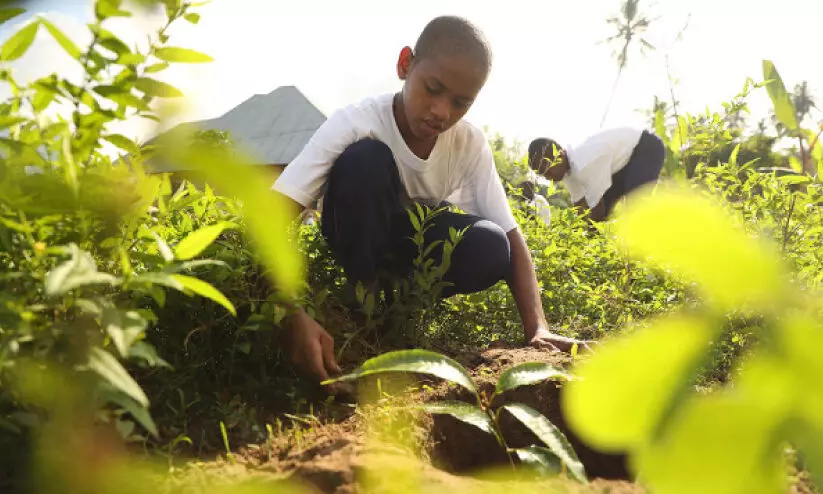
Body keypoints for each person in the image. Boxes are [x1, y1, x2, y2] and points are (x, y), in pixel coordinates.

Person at [271, 16, 586, 383]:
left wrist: (539, 329)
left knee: (492, 245)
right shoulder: (355, 121)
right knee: (366, 160)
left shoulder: (467, 144)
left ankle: (394, 313)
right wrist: (291, 312)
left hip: (406, 247)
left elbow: (513, 237)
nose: (442, 112)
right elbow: (273, 215)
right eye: (433, 89)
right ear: (406, 64)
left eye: (460, 103)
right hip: (355, 232)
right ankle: (356, 304)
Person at [527, 128, 666, 222]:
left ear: (559, 156)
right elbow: (580, 206)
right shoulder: (568, 173)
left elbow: (597, 210)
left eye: (547, 170)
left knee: (635, 205)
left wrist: (585, 243)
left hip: (645, 147)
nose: (546, 177)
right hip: (621, 165)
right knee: (610, 212)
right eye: (541, 174)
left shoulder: (585, 163)